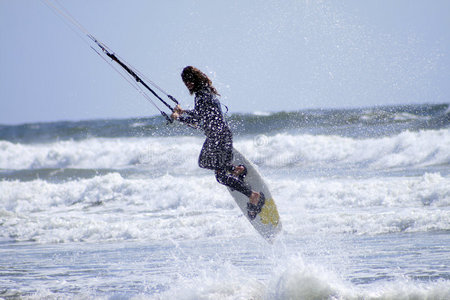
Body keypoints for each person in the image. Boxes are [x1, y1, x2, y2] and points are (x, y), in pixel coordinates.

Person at [171, 66, 265, 219]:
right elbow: (200, 115)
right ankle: (237, 169)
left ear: (195, 78)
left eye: (189, 79)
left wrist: (178, 117)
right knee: (204, 163)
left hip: (218, 138)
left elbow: (197, 120)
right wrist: (183, 112)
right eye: (185, 81)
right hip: (218, 137)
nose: (187, 83)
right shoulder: (204, 93)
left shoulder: (202, 95)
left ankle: (253, 195)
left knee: (220, 176)